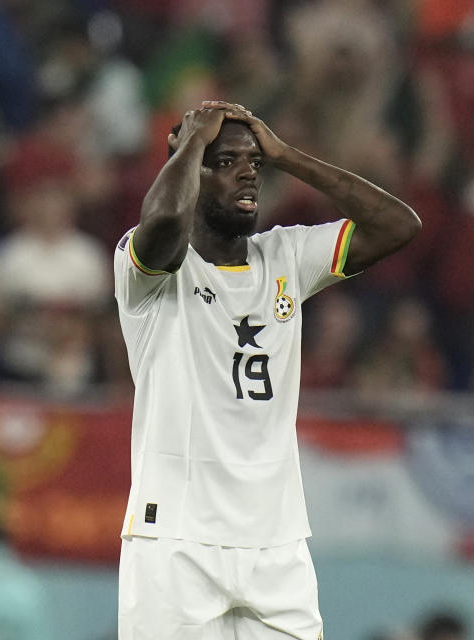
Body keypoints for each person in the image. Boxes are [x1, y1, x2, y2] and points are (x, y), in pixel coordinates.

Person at [113, 100, 421, 638]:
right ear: (190, 169)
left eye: (252, 161)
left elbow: (399, 224)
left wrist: (289, 155)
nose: (247, 171)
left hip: (276, 545)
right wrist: (189, 143)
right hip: (177, 540)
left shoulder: (287, 258)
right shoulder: (151, 271)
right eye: (226, 161)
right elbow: (163, 220)